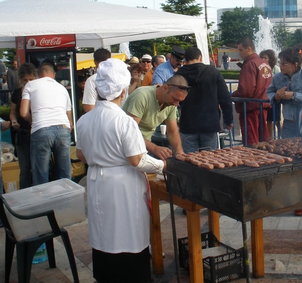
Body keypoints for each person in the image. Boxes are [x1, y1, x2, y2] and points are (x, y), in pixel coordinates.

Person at [76, 58, 164, 283]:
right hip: (123, 184)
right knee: (128, 232)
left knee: (104, 230)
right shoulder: (124, 122)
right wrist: (163, 165)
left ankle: (107, 276)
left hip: (97, 180)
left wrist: (100, 157)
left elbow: (81, 155)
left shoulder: (84, 120)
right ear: (123, 90)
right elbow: (136, 160)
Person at [267, 47, 302, 216]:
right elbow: (268, 94)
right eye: (280, 63)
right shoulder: (278, 78)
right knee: (292, 162)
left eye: (285, 64)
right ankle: (297, 200)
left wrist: (294, 95)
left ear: (295, 64)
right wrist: (276, 96)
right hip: (289, 124)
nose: (281, 66)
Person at [20, 62, 73, 185]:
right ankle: (67, 201)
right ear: (53, 75)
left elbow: (23, 113)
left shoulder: (30, 85)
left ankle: (44, 202)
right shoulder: (62, 88)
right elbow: (69, 120)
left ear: (38, 74)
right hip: (63, 129)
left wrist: (32, 121)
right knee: (65, 172)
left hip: (41, 129)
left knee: (41, 173)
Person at [176, 47, 233, 152]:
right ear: (200, 57)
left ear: (185, 58)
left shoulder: (179, 74)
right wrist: (228, 120)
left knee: (190, 161)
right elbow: (225, 98)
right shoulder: (213, 72)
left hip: (188, 123)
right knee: (209, 160)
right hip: (209, 124)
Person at [122, 75, 188, 160]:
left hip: (143, 146)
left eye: (179, 101)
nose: (176, 104)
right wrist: (154, 148)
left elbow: (172, 131)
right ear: (165, 88)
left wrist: (179, 152)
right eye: (175, 99)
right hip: (125, 146)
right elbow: (129, 132)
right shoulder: (142, 96)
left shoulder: (171, 104)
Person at [232, 38, 272, 146]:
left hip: (250, 107)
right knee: (263, 141)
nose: (239, 53)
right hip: (263, 105)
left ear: (249, 49)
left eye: (240, 50)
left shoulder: (250, 64)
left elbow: (246, 90)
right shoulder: (264, 63)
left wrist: (233, 95)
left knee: (252, 143)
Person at [10, 63, 37, 189]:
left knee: (39, 168)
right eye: (25, 80)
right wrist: (14, 121)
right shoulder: (16, 93)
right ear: (20, 80)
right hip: (23, 134)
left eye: (31, 79)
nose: (28, 82)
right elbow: (12, 112)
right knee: (25, 169)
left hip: (38, 134)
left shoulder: (39, 92)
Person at [259, 49, 281, 139]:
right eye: (262, 58)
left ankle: (280, 136)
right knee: (269, 120)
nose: (263, 59)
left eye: (266, 58)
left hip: (274, 97)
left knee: (276, 120)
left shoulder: (275, 68)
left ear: (271, 59)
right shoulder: (262, 68)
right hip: (266, 97)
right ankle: (270, 138)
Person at [82, 48, 111, 112]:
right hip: (118, 118)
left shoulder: (92, 80)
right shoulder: (119, 78)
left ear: (95, 62)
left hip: (101, 119)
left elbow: (89, 108)